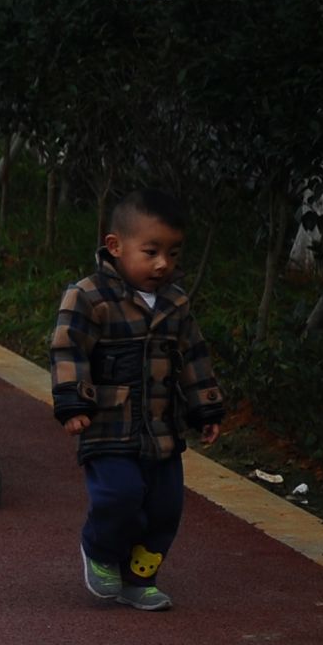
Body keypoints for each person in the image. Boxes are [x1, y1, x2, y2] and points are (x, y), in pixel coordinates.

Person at [51, 189, 226, 612]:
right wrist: (74, 404)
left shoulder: (176, 303)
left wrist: (205, 407)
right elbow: (68, 349)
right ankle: (101, 549)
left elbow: (194, 358)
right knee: (120, 495)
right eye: (151, 251)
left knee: (166, 508)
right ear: (116, 246)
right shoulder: (89, 296)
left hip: (162, 430)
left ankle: (139, 579)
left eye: (172, 253)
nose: (163, 264)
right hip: (108, 426)